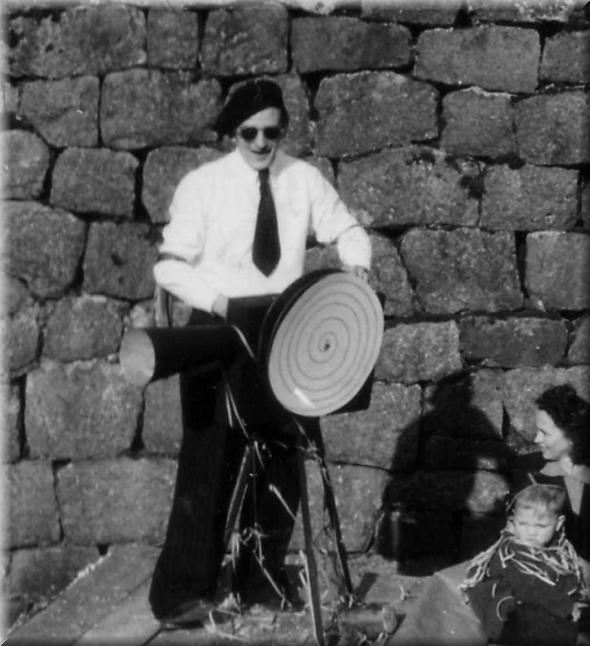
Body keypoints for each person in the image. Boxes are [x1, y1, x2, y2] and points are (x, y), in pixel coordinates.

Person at [148, 78, 372, 628]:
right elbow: (169, 266)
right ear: (234, 132)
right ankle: (182, 594)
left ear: (284, 130)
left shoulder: (303, 180)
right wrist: (219, 302)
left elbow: (347, 228)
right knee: (208, 461)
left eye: (272, 132)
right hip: (217, 326)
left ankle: (262, 579)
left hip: (283, 328)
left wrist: (357, 263)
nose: (261, 143)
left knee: (283, 454)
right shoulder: (203, 185)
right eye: (249, 133)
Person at [387, 383, 590, 646]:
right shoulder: (529, 469)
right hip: (536, 571)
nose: (537, 439)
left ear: (571, 436)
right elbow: (519, 533)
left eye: (545, 433)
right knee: (467, 594)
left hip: (577, 581)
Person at [462, 483, 587, 645]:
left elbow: (570, 582)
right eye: (523, 524)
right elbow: (524, 591)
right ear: (513, 521)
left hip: (553, 616)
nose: (531, 532)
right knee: (528, 614)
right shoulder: (508, 555)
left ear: (558, 523)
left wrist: (576, 602)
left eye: (541, 526)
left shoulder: (560, 554)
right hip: (514, 620)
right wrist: (565, 606)